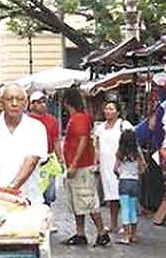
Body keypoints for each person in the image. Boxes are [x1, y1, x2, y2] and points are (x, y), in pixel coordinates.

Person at [62, 88, 110, 247]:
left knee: (88, 200)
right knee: (78, 202)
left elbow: (83, 141)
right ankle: (80, 233)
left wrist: (74, 164)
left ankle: (102, 232)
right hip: (77, 166)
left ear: (67, 102)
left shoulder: (79, 119)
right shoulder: (77, 118)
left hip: (81, 167)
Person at [94, 98, 133, 233]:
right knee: (111, 195)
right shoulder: (100, 128)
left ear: (118, 112)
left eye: (111, 109)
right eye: (106, 108)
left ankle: (126, 225)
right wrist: (96, 162)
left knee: (123, 194)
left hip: (121, 164)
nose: (108, 111)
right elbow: (97, 147)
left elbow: (131, 143)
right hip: (106, 165)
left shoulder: (124, 125)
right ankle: (113, 223)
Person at [28, 90, 62, 206]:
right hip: (32, 159)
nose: (43, 104)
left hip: (49, 160)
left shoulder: (52, 120)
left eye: (44, 102)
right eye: (39, 102)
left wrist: (60, 159)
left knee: (49, 194)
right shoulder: (26, 121)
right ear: (31, 104)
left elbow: (56, 140)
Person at [114, 129, 146, 244]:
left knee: (125, 208)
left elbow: (115, 168)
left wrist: (119, 174)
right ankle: (133, 234)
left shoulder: (120, 152)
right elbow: (143, 168)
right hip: (135, 182)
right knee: (132, 208)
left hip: (124, 181)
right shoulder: (137, 152)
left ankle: (126, 236)